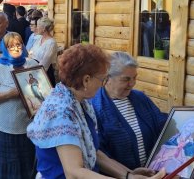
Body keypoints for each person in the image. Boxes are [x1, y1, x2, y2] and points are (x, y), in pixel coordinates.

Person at [27, 45, 166, 179]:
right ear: (86, 80)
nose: (104, 84)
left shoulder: (79, 103)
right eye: (103, 78)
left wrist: (128, 174)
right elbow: (74, 173)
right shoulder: (62, 112)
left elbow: (94, 152)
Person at [90, 52, 194, 172]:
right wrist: (129, 175)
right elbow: (99, 155)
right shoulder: (94, 108)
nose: (132, 84)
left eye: (134, 78)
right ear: (107, 78)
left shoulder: (140, 98)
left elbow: (167, 126)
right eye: (126, 79)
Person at [0, 32, 37, 179]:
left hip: (27, 127)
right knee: (7, 170)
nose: (15, 48)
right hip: (4, 128)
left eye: (18, 44)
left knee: (27, 167)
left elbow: (41, 90)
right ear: (5, 48)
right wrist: (9, 94)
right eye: (10, 46)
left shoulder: (32, 65)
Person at [28, 17, 58, 85]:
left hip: (44, 74)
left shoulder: (51, 43)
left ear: (44, 28)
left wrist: (33, 73)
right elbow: (30, 53)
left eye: (38, 26)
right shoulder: (39, 38)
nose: (36, 28)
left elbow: (44, 65)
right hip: (33, 70)